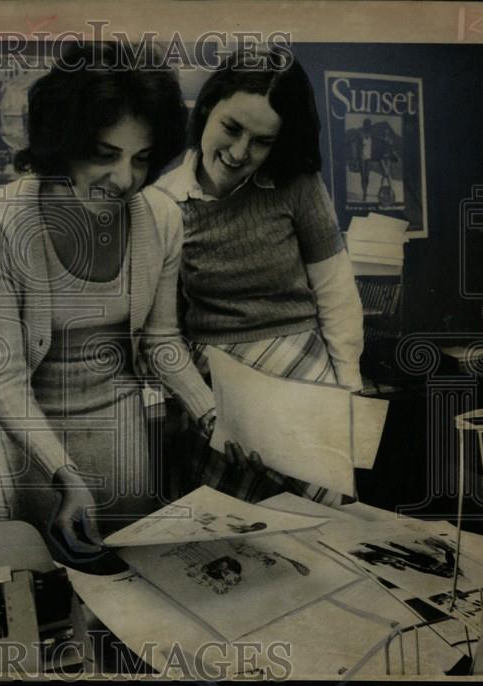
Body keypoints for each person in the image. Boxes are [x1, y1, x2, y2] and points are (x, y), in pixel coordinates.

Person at [0, 44, 218, 563]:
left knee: (130, 572)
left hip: (120, 424)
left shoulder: (162, 218)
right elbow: (6, 380)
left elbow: (162, 342)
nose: (125, 179)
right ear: (64, 144)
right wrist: (64, 476)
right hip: (30, 438)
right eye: (105, 155)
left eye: (142, 158)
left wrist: (209, 412)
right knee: (47, 581)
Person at [155, 49, 364, 504]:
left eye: (262, 141)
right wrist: (204, 409)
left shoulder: (298, 184)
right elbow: (162, 330)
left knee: (323, 522)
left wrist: (347, 391)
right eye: (231, 128)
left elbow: (336, 292)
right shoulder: (163, 202)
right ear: (207, 108)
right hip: (217, 381)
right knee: (229, 528)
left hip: (302, 368)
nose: (238, 153)